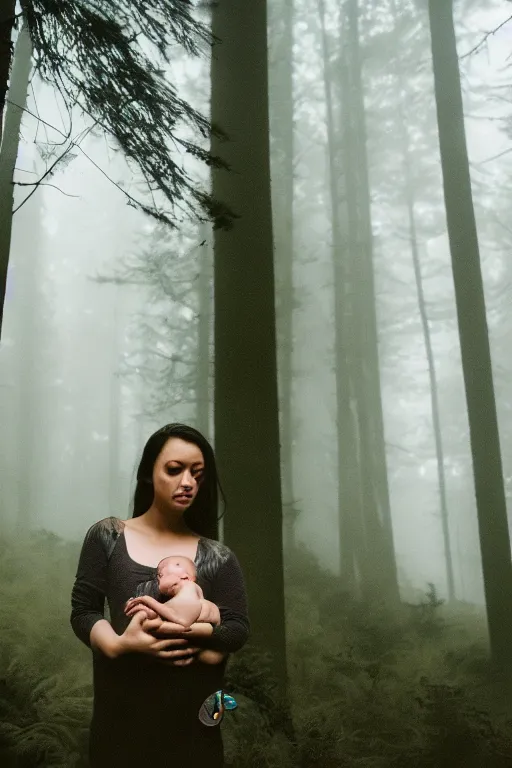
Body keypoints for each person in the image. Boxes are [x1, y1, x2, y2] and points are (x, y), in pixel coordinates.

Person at [70, 423, 250, 767]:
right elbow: (83, 611)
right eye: (174, 470)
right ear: (149, 473)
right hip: (119, 727)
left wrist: (197, 633)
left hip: (195, 735)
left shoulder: (218, 556)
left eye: (197, 474)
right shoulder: (108, 536)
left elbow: (238, 628)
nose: (188, 482)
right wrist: (118, 645)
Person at [124, 554, 226, 665]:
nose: (160, 573)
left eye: (163, 571)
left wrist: (148, 601)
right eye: (159, 574)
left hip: (206, 645)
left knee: (151, 625)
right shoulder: (183, 598)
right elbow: (172, 612)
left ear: (185, 576)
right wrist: (144, 607)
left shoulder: (189, 586)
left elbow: (183, 619)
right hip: (200, 650)